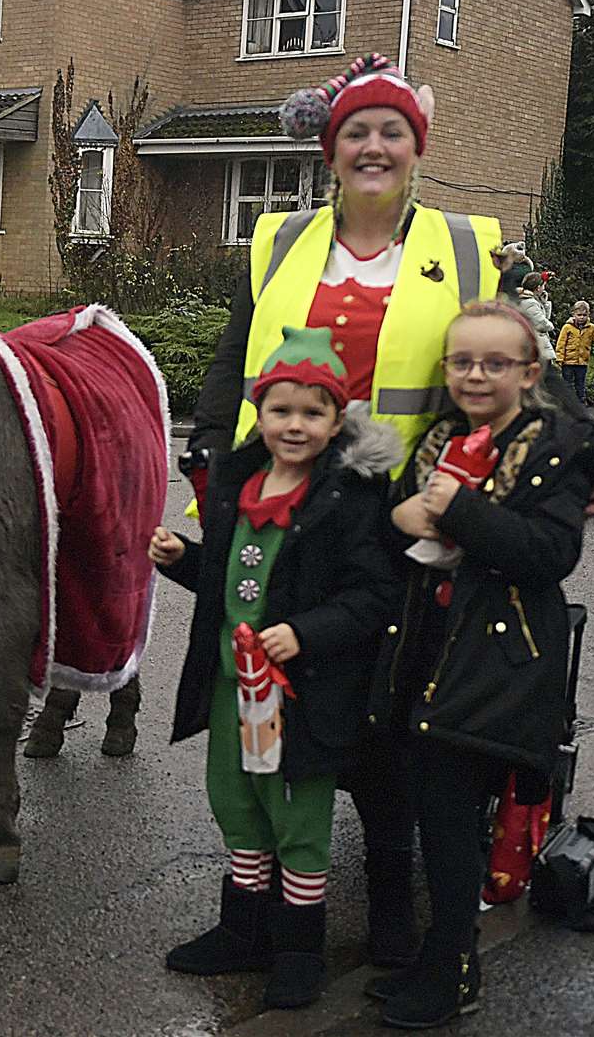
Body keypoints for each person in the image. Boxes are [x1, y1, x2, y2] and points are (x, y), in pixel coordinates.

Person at [191, 52, 502, 968]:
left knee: (391, 718)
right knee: (275, 697)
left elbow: (501, 368)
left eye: (392, 133)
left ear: (417, 148)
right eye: (356, 132)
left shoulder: (464, 245)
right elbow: (231, 361)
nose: (374, 147)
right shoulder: (283, 241)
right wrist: (214, 470)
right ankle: (254, 917)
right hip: (289, 509)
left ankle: (390, 914)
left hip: (407, 520)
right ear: (329, 152)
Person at [363, 301, 594, 1028]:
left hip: (495, 658)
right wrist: (401, 514)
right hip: (427, 645)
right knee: (433, 813)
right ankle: (439, 959)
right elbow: (404, 513)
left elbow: (549, 555)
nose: (476, 375)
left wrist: (458, 512)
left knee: (450, 817)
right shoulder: (443, 436)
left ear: (529, 374)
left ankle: (453, 968)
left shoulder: (556, 446)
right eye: (463, 361)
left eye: (496, 363)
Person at [151, 326, 401, 1010]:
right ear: (258, 413)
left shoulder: (348, 499)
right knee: (238, 804)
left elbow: (373, 597)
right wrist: (185, 561)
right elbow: (232, 584)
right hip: (235, 691)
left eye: (313, 412)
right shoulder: (239, 482)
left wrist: (304, 633)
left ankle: (297, 951)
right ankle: (243, 932)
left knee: (296, 819)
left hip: (302, 697)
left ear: (338, 418)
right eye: (280, 410)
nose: (294, 425)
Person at [554, 300, 594, 404]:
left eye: (584, 315)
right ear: (573, 314)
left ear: (588, 315)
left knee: (580, 383)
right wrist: (559, 359)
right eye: (579, 315)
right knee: (567, 383)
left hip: (582, 362)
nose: (582, 317)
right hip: (568, 362)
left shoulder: (591, 328)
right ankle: (567, 402)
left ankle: (581, 401)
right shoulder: (567, 327)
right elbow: (561, 344)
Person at [513, 269, 555, 363]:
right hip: (536, 345)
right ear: (538, 287)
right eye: (543, 285)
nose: (544, 288)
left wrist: (544, 303)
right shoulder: (530, 303)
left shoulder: (533, 301)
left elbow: (545, 317)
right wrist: (551, 326)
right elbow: (541, 323)